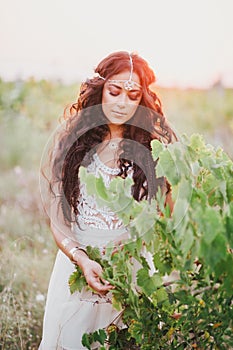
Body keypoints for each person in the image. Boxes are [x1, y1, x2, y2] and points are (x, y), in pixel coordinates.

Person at [39, 51, 176, 349]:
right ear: (101, 89)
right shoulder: (71, 143)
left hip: (130, 271)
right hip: (76, 267)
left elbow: (162, 216)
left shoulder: (152, 150)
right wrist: (81, 258)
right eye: (114, 91)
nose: (122, 102)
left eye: (132, 95)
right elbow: (57, 216)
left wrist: (130, 241)